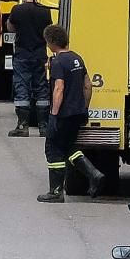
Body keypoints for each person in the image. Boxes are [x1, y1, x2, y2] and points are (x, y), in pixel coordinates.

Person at [37, 24, 105, 203]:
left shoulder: (58, 62)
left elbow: (58, 88)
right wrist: (84, 108)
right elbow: (88, 85)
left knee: (53, 149)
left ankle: (56, 191)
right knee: (68, 147)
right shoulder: (77, 58)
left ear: (51, 42)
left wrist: (53, 114)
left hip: (63, 114)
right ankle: (93, 173)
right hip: (77, 113)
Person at [6, 0, 53, 137]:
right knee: (41, 88)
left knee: (22, 87)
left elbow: (11, 28)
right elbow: (48, 31)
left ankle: (22, 125)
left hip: (22, 54)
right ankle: (43, 126)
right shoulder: (45, 11)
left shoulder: (17, 10)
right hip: (39, 54)